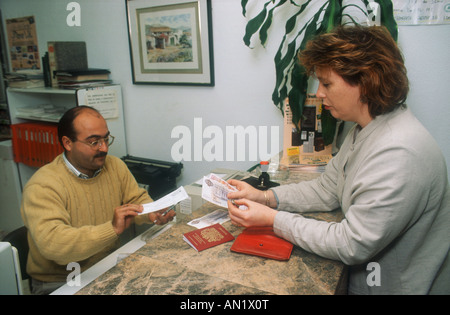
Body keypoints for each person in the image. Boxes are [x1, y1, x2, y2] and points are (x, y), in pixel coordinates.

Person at [227, 25, 449, 295]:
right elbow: (327, 189)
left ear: (365, 81)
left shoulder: (399, 152)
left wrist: (273, 219)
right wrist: (264, 198)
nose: (319, 93)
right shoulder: (366, 128)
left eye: (327, 83)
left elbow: (351, 244)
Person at [20, 106, 175, 294]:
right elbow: (55, 245)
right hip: (63, 280)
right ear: (68, 143)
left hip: (105, 265)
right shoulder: (43, 186)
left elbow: (137, 198)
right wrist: (112, 229)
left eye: (106, 138)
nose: (104, 148)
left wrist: (152, 212)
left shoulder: (115, 166)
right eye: (94, 142)